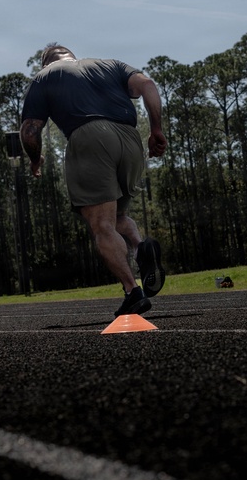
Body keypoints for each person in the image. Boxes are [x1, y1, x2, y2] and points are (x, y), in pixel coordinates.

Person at [20, 43, 168, 317]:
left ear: (45, 62)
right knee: (116, 216)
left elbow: (30, 131)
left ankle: (132, 292)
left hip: (90, 137)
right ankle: (140, 247)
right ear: (72, 56)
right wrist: (156, 129)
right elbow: (148, 85)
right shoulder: (110, 64)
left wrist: (35, 158)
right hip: (130, 138)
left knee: (101, 225)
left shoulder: (46, 75)